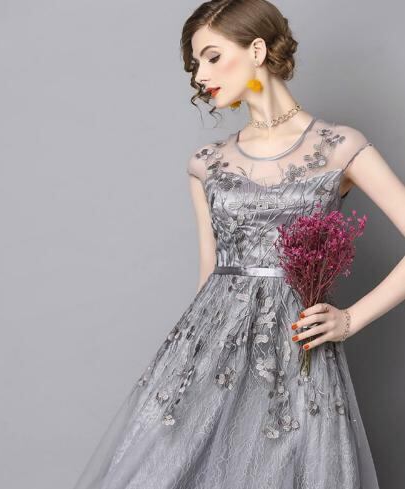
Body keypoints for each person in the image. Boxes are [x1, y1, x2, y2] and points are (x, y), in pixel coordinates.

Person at [72, 1, 405, 488]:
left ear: (257, 50)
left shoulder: (338, 146)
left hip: (296, 352)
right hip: (210, 355)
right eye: (194, 64)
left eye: (211, 57)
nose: (200, 75)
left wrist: (350, 319)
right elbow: (209, 279)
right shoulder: (207, 163)